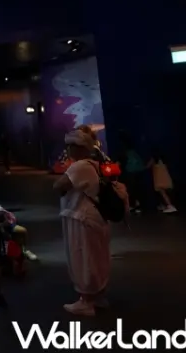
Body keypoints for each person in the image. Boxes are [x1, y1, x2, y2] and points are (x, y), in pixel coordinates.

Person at [53, 129, 125, 316]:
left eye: (70, 146)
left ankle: (86, 301)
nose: (67, 149)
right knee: (97, 257)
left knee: (83, 258)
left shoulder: (79, 166)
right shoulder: (95, 163)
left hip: (82, 218)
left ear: (77, 147)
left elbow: (59, 185)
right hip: (96, 217)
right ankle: (98, 296)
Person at [118, 132, 149, 213]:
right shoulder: (133, 149)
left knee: (132, 189)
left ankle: (134, 205)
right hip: (137, 170)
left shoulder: (122, 150)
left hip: (130, 171)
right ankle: (139, 205)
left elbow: (121, 161)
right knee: (138, 188)